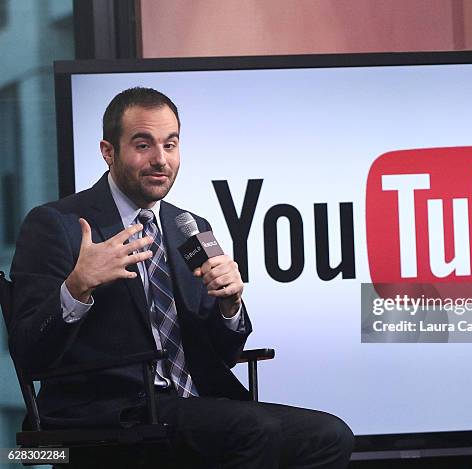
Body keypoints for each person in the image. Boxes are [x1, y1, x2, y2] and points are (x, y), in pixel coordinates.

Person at [9, 87, 354, 468]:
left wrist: (230, 305)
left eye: (170, 145)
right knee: (254, 430)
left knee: (330, 436)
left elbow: (219, 354)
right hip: (110, 411)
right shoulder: (59, 226)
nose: (160, 160)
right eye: (143, 145)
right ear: (108, 152)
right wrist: (77, 288)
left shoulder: (187, 227)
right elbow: (29, 350)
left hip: (192, 404)